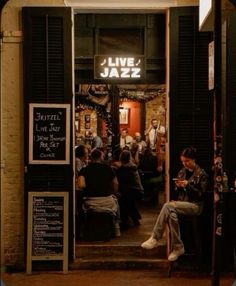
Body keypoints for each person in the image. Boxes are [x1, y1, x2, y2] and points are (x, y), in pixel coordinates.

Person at [141, 147, 208, 262]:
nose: (185, 163)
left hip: (195, 205)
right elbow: (178, 192)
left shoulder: (201, 174)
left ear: (193, 159)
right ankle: (178, 248)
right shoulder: (182, 171)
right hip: (183, 203)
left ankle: (155, 237)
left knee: (167, 206)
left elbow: (201, 195)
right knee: (171, 214)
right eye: (183, 161)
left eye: (187, 161)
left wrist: (187, 185)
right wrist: (178, 186)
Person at [77, 148, 120, 237]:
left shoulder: (84, 170)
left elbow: (81, 185)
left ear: (91, 158)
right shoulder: (108, 168)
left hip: (90, 202)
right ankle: (116, 228)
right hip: (107, 202)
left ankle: (81, 229)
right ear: (101, 157)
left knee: (79, 206)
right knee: (116, 202)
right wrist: (113, 193)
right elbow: (115, 183)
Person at [116, 150, 144, 229]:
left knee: (122, 198)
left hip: (133, 191)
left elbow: (123, 183)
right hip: (138, 190)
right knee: (127, 198)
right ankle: (134, 218)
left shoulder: (124, 169)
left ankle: (124, 220)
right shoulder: (132, 166)